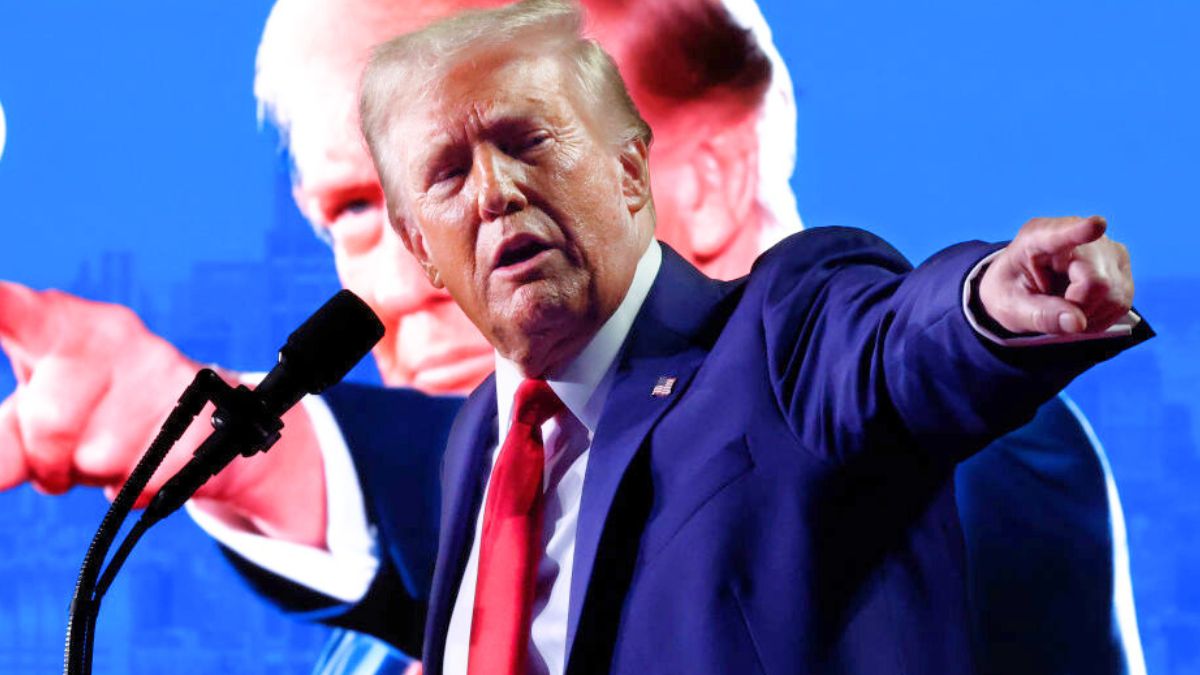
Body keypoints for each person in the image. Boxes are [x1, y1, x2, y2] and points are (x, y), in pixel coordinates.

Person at [0, 0, 1145, 672]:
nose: (426, 272)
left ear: (684, 164)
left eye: (527, 147)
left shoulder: (937, 455)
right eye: (380, 204)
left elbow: (889, 375)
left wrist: (995, 312)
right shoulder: (462, 515)